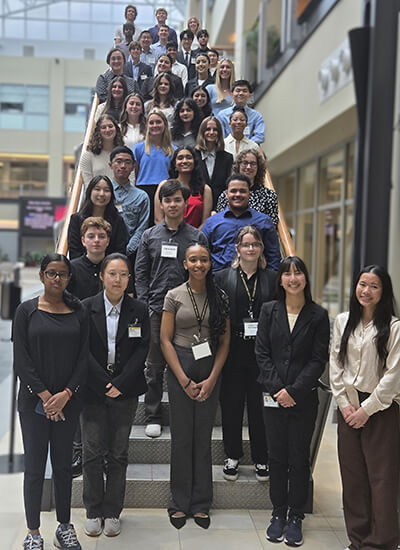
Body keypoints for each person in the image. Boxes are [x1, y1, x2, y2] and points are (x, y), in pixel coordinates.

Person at [13, 253, 89, 550]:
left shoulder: (78, 311)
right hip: (34, 403)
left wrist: (65, 395)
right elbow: (22, 360)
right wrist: (46, 397)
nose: (57, 279)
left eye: (63, 274)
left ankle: (64, 526)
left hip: (68, 401)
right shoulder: (26, 311)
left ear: (69, 278)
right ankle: (33, 532)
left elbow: (83, 359)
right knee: (34, 467)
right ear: (42, 275)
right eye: (52, 273)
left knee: (62, 466)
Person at [255, 256, 330, 546]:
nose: (293, 278)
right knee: (276, 457)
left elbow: (317, 359)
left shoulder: (318, 315)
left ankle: (296, 514)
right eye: (287, 274)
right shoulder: (269, 310)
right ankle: (278, 513)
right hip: (273, 397)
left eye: (298, 273)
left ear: (306, 279)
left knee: (298, 458)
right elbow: (262, 353)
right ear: (281, 280)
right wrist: (278, 389)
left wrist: (294, 391)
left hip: (303, 398)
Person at [330, 265, 400, 550]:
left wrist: (366, 409)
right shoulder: (343, 321)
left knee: (382, 478)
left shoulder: (393, 327)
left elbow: (394, 375)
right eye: (362, 284)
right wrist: (345, 405)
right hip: (349, 408)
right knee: (353, 476)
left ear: (383, 292)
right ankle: (358, 539)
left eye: (374, 286)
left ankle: (382, 541)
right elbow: (335, 365)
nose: (366, 291)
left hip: (381, 409)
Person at [161, 241, 230, 529]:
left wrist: (212, 378)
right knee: (182, 438)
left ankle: (201, 503)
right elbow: (164, 339)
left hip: (209, 365)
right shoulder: (174, 295)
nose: (199, 264)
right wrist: (182, 379)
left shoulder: (220, 296)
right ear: (185, 264)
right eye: (193, 260)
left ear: (210, 263)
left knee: (202, 439)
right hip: (181, 364)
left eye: (204, 259)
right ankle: (179, 502)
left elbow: (225, 342)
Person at [82, 253, 150, 538]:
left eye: (123, 274)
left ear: (129, 278)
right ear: (102, 276)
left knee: (119, 453)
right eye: (112, 273)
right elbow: (81, 350)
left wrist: (120, 382)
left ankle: (112, 512)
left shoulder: (139, 309)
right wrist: (102, 383)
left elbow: (142, 348)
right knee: (92, 452)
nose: (117, 279)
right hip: (92, 390)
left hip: (126, 389)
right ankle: (93, 511)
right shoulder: (85, 308)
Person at [135, 180, 208, 438]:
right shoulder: (149, 236)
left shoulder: (196, 237)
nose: (173, 204)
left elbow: (202, 273)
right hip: (156, 309)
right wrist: (143, 304)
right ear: (162, 204)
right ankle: (153, 414)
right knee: (154, 365)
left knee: (187, 362)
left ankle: (184, 412)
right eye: (168, 200)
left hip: (188, 312)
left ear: (185, 203)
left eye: (177, 200)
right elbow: (140, 274)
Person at [215, 226, 276, 484]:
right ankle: (233, 455)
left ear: (261, 249)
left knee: (259, 406)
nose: (250, 248)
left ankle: (262, 457)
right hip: (233, 349)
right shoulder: (222, 277)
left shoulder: (273, 279)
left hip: (262, 352)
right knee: (231, 405)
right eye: (246, 244)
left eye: (255, 244)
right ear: (237, 248)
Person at [202, 174, 281, 273]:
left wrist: (268, 282)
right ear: (227, 194)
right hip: (218, 282)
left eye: (242, 191)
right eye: (233, 191)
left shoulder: (264, 221)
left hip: (253, 283)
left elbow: (273, 256)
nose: (238, 194)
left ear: (249, 194)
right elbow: (202, 253)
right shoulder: (212, 222)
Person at [68, 175, 128, 260]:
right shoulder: (76, 219)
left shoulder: (118, 220)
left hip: (109, 269)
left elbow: (120, 251)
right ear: (90, 192)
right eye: (97, 189)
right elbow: (74, 250)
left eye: (106, 190)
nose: (102, 194)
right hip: (82, 269)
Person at [109, 146, 150, 267]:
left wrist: (126, 251)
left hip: (130, 255)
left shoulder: (141, 196)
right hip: (102, 250)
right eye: (119, 161)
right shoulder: (103, 191)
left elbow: (142, 228)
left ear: (133, 167)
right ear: (110, 165)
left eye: (128, 162)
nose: (123, 166)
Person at [217, 149, 279, 228]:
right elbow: (220, 223)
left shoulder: (269, 196)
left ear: (258, 167)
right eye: (245, 163)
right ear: (238, 166)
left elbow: (271, 226)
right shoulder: (226, 195)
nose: (248, 167)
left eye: (253, 164)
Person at [133, 109, 175, 224]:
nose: (155, 125)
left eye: (158, 122)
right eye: (151, 123)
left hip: (165, 191)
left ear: (165, 124)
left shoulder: (174, 150)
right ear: (147, 126)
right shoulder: (138, 148)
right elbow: (136, 172)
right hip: (144, 191)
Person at [155, 145, 212, 228]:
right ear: (174, 164)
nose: (184, 161)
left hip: (195, 238)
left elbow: (205, 222)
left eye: (188, 157)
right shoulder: (163, 185)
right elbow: (158, 219)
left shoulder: (205, 189)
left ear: (195, 162)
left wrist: (192, 238)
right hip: (166, 238)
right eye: (180, 158)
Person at [195, 115, 233, 209]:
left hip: (219, 207)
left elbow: (227, 186)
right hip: (197, 206)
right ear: (202, 132)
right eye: (208, 129)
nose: (211, 132)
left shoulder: (227, 158)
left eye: (215, 130)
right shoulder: (193, 155)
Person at [68, 217, 111, 300]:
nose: (96, 240)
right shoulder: (71, 267)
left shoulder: (114, 267)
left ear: (108, 241)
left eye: (101, 236)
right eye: (91, 236)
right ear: (83, 241)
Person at [79, 115, 124, 187]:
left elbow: (130, 181)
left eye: (110, 126)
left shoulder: (124, 154)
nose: (108, 130)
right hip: (97, 197)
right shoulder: (88, 156)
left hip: (121, 197)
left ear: (116, 128)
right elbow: (88, 185)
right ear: (98, 131)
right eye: (103, 127)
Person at [217, 80, 265, 144]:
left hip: (248, 150)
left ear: (249, 95)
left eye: (244, 91)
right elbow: (220, 136)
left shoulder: (256, 116)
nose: (241, 93)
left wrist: (245, 145)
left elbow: (260, 136)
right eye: (238, 90)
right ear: (232, 94)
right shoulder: (222, 115)